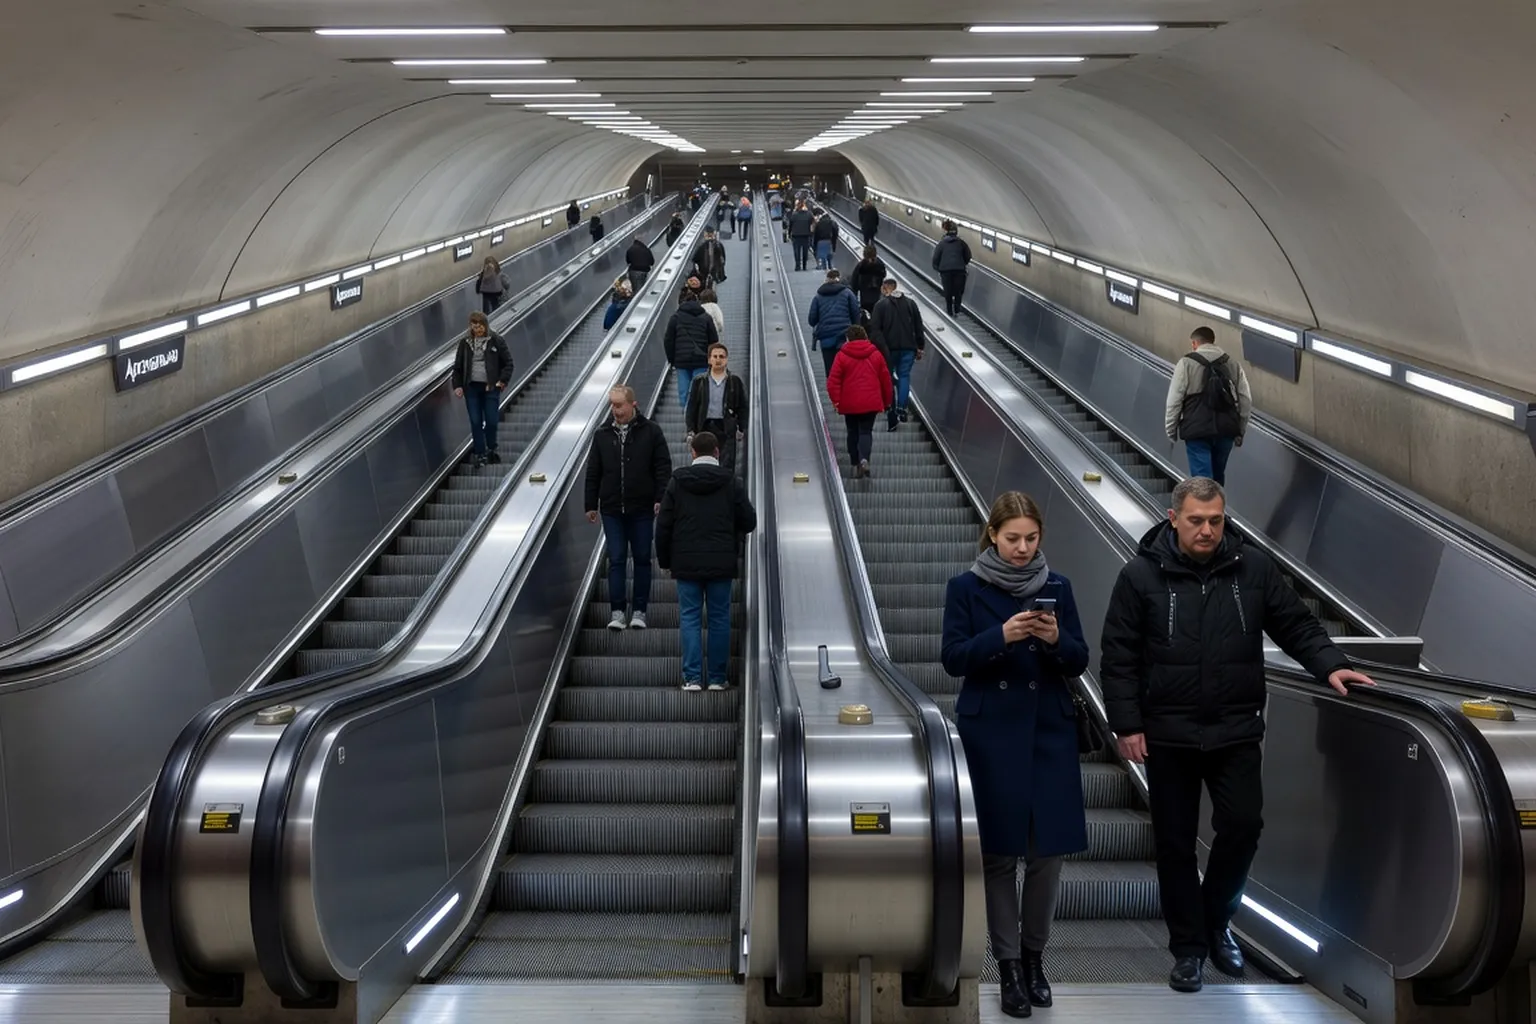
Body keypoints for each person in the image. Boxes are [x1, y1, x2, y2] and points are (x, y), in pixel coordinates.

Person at [1100, 476, 1375, 994]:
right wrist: (1127, 723)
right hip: (1168, 734)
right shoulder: (1139, 576)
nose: (1207, 531)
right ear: (1173, 517)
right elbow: (1118, 655)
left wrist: (1331, 665)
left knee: (1244, 827)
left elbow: (1296, 625)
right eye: (1197, 521)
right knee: (1176, 845)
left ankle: (1214, 921)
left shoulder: (1252, 569)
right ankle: (1188, 950)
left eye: (1216, 520)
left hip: (1235, 729)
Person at [942, 491, 1089, 1019]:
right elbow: (953, 658)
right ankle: (1006, 966)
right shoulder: (965, 588)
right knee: (999, 855)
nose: (1022, 548)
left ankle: (1034, 959)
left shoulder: (1058, 588)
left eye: (1030, 538)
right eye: (1012, 539)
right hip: (992, 735)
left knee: (1047, 855)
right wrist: (1000, 636)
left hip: (1049, 731)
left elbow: (1079, 659)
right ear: (992, 536)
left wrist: (1053, 639)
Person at [656, 431, 758, 692]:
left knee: (689, 617)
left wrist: (666, 560)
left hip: (686, 562)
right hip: (720, 561)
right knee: (719, 618)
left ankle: (691, 678)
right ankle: (716, 678)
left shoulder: (677, 481)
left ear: (692, 453)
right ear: (717, 452)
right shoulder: (730, 482)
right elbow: (749, 521)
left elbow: (664, 525)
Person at [584, 385, 673, 631]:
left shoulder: (651, 431)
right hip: (611, 509)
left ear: (633, 404)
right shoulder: (602, 434)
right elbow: (593, 471)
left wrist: (660, 497)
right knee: (617, 558)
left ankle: (640, 611)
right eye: (612, 405)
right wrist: (590, 504)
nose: (615, 410)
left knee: (643, 558)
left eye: (619, 405)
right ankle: (618, 611)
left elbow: (663, 467)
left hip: (642, 507)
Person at [1165, 326, 1253, 485]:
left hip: (1196, 429)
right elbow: (1245, 400)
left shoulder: (1186, 364)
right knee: (1218, 479)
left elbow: (1174, 400)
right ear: (1212, 341)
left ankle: (1206, 508)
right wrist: (1240, 431)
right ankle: (1216, 508)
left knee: (1202, 481)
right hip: (1226, 429)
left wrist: (1171, 430)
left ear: (1194, 344)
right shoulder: (1233, 364)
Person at [826, 325, 893, 478]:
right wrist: (887, 401)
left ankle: (855, 462)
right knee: (865, 431)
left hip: (849, 403)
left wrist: (836, 401)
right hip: (871, 403)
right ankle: (864, 459)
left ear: (848, 339)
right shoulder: (875, 354)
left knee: (852, 431)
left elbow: (833, 382)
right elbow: (886, 380)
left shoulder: (842, 355)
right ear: (865, 337)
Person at [450, 311, 514, 467]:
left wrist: (501, 381)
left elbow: (508, 363)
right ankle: (480, 453)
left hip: (491, 387)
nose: (477, 331)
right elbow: (457, 367)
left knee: (491, 421)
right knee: (475, 421)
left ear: (485, 326)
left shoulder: (496, 340)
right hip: (471, 388)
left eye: (479, 328)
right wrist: (457, 385)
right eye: (474, 327)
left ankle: (491, 447)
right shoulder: (465, 343)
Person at [870, 279, 925, 430]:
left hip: (889, 350)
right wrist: (920, 346)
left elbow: (875, 330)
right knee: (904, 376)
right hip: (909, 348)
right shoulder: (910, 304)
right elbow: (918, 326)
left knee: (888, 380)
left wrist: (880, 348)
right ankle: (902, 406)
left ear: (884, 288)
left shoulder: (880, 306)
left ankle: (892, 417)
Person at [686, 342, 748, 473]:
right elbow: (692, 406)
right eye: (715, 356)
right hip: (704, 426)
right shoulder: (699, 381)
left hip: (726, 428)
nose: (718, 360)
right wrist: (690, 429)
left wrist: (742, 428)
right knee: (704, 465)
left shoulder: (734, 381)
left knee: (726, 465)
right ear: (709, 359)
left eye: (722, 356)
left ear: (726, 359)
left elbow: (743, 406)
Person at [664, 288, 720, 406]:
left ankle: (687, 418)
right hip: (701, 360)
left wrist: (672, 360)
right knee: (699, 391)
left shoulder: (675, 318)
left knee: (684, 392)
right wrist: (711, 359)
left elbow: (668, 340)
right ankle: (698, 417)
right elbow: (714, 340)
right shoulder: (706, 317)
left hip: (681, 361)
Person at [807, 269, 862, 376]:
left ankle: (833, 390)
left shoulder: (818, 296)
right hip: (844, 336)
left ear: (826, 280)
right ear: (839, 279)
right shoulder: (848, 293)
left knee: (831, 370)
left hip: (826, 337)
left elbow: (812, 320)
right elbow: (856, 313)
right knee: (845, 369)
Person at [931, 220, 972, 315]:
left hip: (945, 271)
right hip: (959, 270)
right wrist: (962, 264)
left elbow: (936, 258)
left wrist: (938, 268)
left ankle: (949, 310)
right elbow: (968, 255)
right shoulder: (961, 243)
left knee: (948, 291)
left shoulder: (941, 244)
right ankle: (957, 308)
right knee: (958, 290)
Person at [848, 245, 888, 323]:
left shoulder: (861, 265)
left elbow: (854, 282)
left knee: (865, 317)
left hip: (864, 297)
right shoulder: (880, 264)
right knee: (876, 317)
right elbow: (883, 275)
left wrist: (854, 295)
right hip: (877, 297)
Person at [788, 202, 815, 269]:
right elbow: (813, 222)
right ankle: (804, 265)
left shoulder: (794, 215)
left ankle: (797, 265)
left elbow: (790, 225)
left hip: (796, 235)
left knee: (796, 251)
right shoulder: (809, 214)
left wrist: (789, 233)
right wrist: (811, 231)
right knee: (805, 251)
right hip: (806, 235)